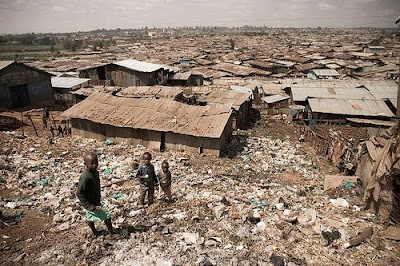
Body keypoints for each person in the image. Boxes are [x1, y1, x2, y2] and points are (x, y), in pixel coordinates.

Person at [76, 152, 114, 236]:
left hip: (95, 200)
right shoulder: (85, 176)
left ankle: (95, 233)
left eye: (96, 163)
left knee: (90, 217)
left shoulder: (95, 172)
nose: (95, 165)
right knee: (107, 215)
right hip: (91, 203)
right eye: (92, 164)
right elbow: (79, 193)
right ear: (85, 164)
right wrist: (88, 206)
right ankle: (111, 233)